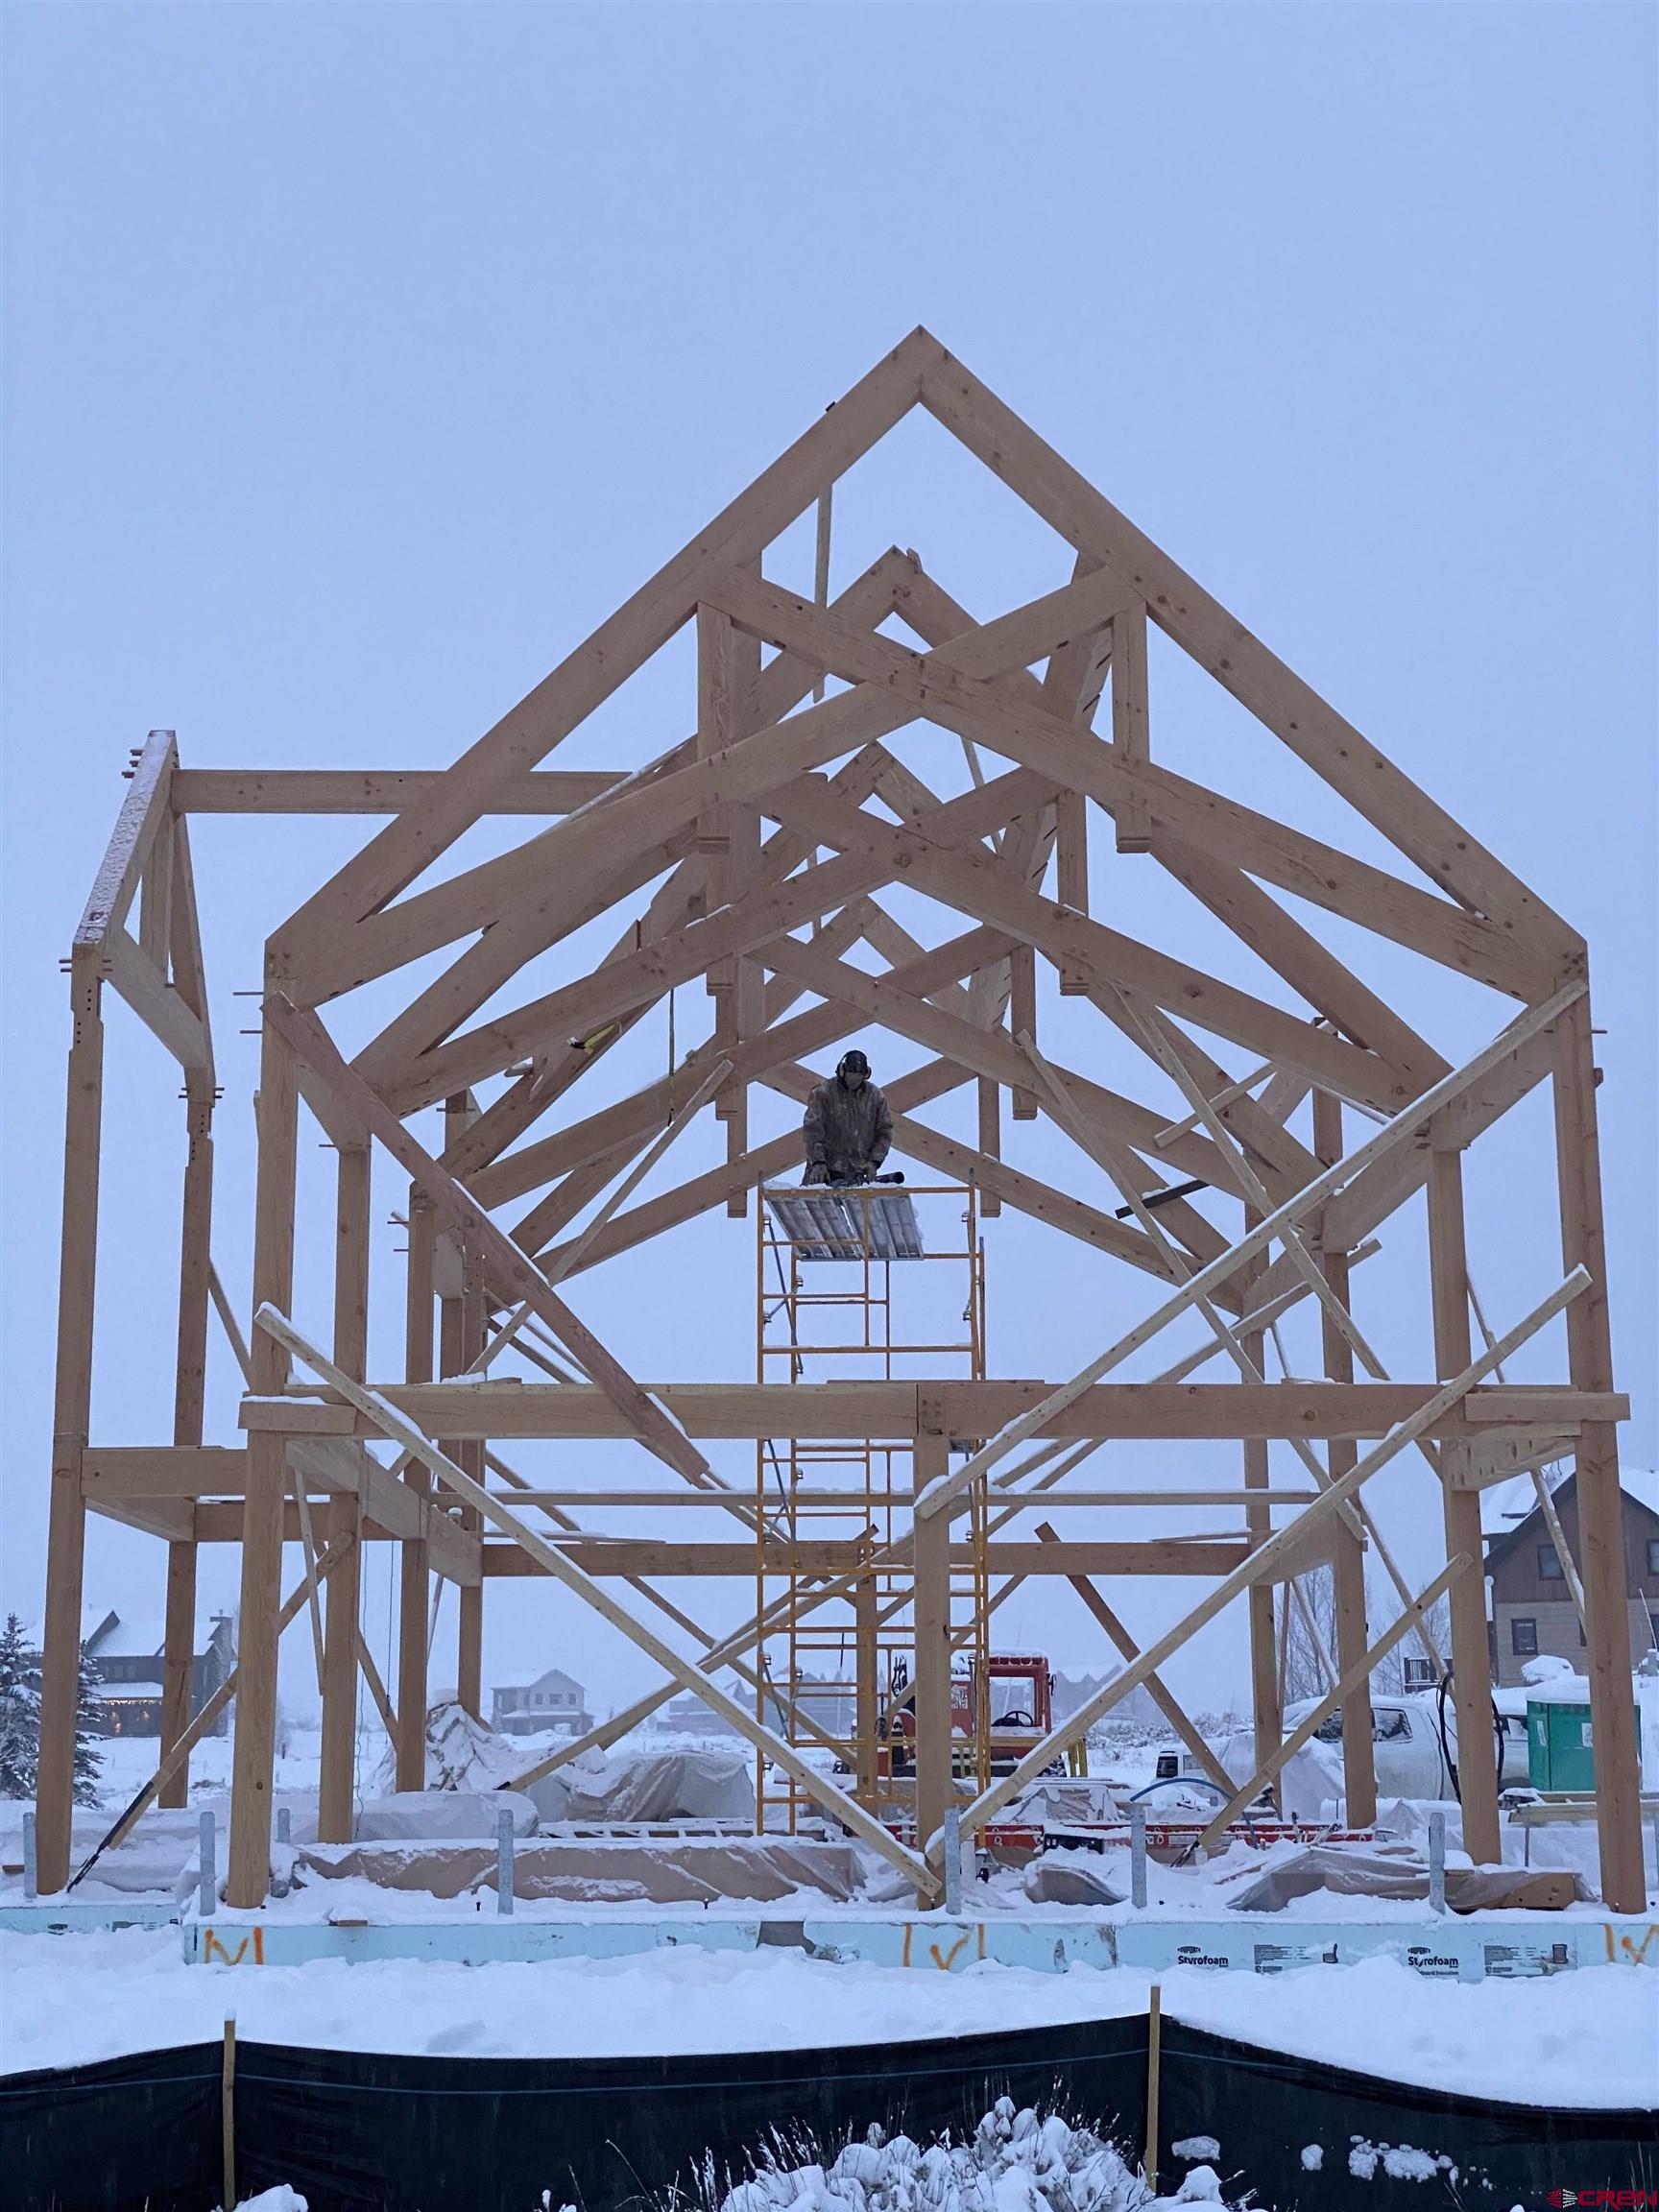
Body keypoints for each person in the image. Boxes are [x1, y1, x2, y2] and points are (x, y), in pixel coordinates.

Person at [802, 1049, 893, 1187]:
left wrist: (874, 1162)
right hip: (825, 1172)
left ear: (866, 1075)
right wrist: (818, 1162)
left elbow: (884, 1132)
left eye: (859, 1078)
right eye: (851, 1077)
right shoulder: (823, 1093)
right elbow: (812, 1131)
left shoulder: (875, 1097)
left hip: (857, 1173)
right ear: (842, 1071)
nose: (854, 1082)